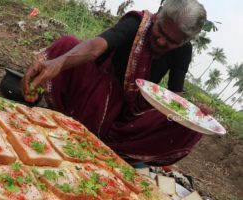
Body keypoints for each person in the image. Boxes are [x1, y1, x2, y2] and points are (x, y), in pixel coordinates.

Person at [18, 0, 207, 166]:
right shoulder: (138, 24)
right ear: (158, 17)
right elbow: (95, 47)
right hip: (94, 95)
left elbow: (176, 97)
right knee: (67, 45)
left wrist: (194, 113)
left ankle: (122, 151)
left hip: (130, 115)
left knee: (189, 124)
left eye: (171, 41)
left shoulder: (183, 51)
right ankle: (50, 106)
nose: (161, 41)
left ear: (184, 41)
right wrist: (59, 62)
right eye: (161, 31)